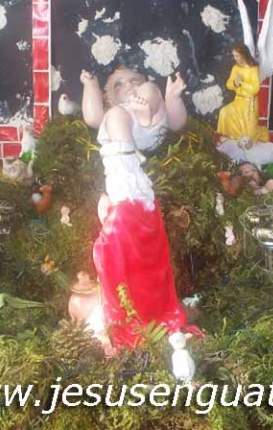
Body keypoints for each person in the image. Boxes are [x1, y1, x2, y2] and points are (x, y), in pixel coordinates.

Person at [91, 80, 187, 350]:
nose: (131, 86)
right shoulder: (115, 113)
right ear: (111, 95)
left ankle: (132, 139)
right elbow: (94, 115)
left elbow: (172, 123)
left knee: (148, 91)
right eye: (121, 84)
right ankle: (133, 312)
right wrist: (90, 86)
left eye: (136, 80)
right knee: (121, 239)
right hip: (124, 175)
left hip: (136, 163)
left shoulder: (137, 109)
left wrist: (168, 99)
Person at [81, 66, 187, 151]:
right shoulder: (116, 110)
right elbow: (93, 118)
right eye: (119, 86)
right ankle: (128, 155)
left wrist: (173, 98)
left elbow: (176, 124)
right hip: (120, 135)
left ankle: (144, 113)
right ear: (111, 100)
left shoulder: (151, 96)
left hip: (153, 125)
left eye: (134, 81)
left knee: (150, 87)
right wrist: (91, 84)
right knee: (115, 115)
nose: (128, 85)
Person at [217, 44, 269, 146]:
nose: (235, 58)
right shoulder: (235, 68)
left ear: (243, 54)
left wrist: (242, 83)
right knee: (224, 112)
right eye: (234, 56)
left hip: (250, 104)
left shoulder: (253, 69)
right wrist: (235, 83)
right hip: (238, 101)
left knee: (250, 136)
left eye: (237, 55)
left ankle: (262, 133)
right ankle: (225, 139)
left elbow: (255, 89)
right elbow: (228, 84)